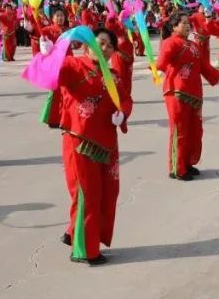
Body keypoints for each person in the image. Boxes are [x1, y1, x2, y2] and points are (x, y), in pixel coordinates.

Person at [54, 29, 132, 265]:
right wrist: (50, 55)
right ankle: (85, 250)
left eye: (110, 46)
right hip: (80, 141)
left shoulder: (115, 76)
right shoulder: (73, 66)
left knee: (107, 193)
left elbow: (126, 99)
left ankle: (74, 232)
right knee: (88, 194)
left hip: (107, 142)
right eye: (101, 43)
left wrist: (123, 113)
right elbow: (52, 75)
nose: (106, 48)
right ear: (88, 46)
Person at [155, 13, 219, 181]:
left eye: (188, 22)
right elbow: (161, 63)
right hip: (177, 92)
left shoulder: (193, 45)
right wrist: (159, 68)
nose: (187, 25)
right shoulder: (171, 42)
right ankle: (177, 168)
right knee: (180, 131)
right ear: (174, 26)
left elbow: (204, 66)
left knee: (194, 131)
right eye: (183, 23)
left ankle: (187, 162)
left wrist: (218, 77)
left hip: (194, 92)